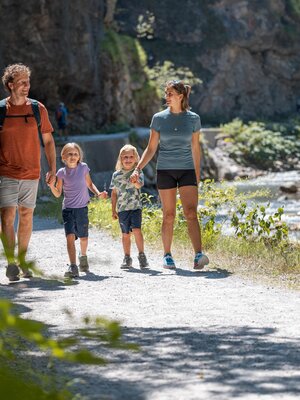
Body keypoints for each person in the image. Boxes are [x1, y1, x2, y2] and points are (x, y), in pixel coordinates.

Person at [130, 80, 209, 270]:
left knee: (191, 213)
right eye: (166, 93)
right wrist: (138, 168)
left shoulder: (193, 118)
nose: (167, 97)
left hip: (187, 170)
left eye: (170, 93)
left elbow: (196, 150)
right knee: (169, 214)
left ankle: (198, 255)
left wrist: (197, 177)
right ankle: (167, 255)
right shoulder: (158, 118)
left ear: (181, 96)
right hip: (165, 170)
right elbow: (151, 148)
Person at [0, 63, 56, 282]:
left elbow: (49, 141)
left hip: (32, 172)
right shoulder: (1, 110)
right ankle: (11, 263)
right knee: (7, 216)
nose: (26, 86)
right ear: (10, 85)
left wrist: (52, 168)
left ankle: (22, 261)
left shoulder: (37, 109)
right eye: (22, 82)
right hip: (5, 173)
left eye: (28, 82)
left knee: (26, 216)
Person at [48, 142, 107, 278]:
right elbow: (58, 193)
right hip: (68, 210)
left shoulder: (84, 168)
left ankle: (83, 256)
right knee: (69, 237)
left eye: (75, 154)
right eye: (69, 154)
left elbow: (89, 184)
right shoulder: (61, 173)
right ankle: (73, 266)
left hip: (82, 209)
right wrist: (52, 185)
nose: (73, 156)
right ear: (63, 157)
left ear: (79, 156)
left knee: (83, 237)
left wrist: (98, 193)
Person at [110, 144, 149, 270]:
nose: (128, 160)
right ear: (121, 159)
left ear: (136, 158)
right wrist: (113, 210)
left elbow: (139, 186)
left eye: (131, 157)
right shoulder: (116, 175)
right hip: (122, 210)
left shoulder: (138, 172)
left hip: (135, 207)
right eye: (125, 157)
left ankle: (142, 255)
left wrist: (135, 181)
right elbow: (114, 193)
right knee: (125, 234)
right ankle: (127, 257)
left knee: (137, 230)